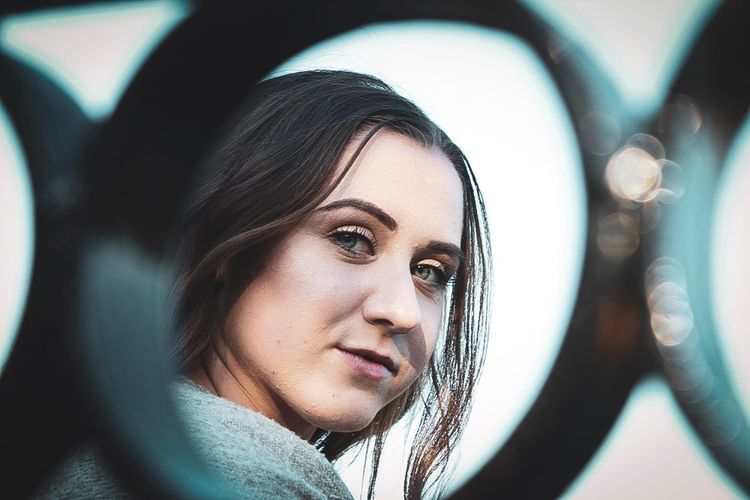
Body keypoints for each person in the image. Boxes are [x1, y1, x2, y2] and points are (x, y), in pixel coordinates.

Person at [41, 69, 491, 499]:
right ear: (234, 243)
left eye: (429, 271)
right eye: (352, 240)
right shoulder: (243, 478)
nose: (403, 311)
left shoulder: (107, 448)